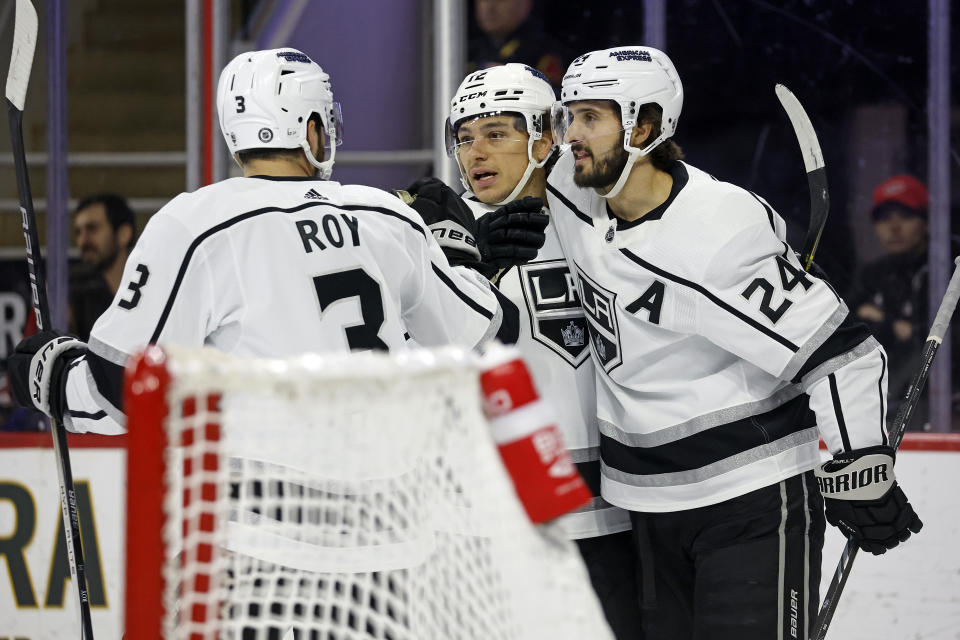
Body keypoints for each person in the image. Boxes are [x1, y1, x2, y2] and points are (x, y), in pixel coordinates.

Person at [545, 46, 922, 639]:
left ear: (644, 125)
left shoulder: (717, 231)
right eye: (570, 116)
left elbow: (841, 354)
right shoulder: (574, 187)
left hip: (750, 501)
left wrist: (859, 463)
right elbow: (508, 159)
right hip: (644, 505)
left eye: (591, 117)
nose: (572, 135)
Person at [8, 47, 542, 440]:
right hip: (394, 528)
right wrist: (459, 254)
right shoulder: (385, 213)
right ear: (312, 130)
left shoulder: (196, 223)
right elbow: (489, 335)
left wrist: (50, 375)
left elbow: (116, 394)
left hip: (270, 539)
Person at [419, 62, 638, 637]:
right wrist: (466, 264)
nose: (475, 153)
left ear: (544, 138)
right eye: (464, 138)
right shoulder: (444, 240)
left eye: (496, 133)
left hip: (610, 519)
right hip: (494, 527)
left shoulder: (599, 217)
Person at [849, 174, 960, 428]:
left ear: (928, 222)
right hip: (886, 405)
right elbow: (847, 332)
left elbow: (944, 343)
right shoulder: (873, 274)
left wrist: (883, 321)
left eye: (906, 215)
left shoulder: (952, 267)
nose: (894, 227)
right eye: (885, 218)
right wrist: (894, 325)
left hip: (945, 408)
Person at [70, 193, 137, 340]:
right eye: (78, 232)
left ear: (123, 234)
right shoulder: (69, 290)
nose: (82, 241)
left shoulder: (153, 288)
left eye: (92, 229)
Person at [469, 0, 570, 89]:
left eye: (501, 0)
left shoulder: (545, 51)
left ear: (526, 3)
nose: (490, 8)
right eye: (484, 0)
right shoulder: (464, 50)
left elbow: (556, 98)